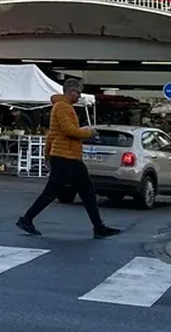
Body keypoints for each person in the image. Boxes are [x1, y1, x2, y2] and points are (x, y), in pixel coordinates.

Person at [17, 78, 121, 238]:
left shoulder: (62, 107)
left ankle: (99, 227)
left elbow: (52, 135)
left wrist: (47, 155)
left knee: (86, 191)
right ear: (70, 92)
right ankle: (27, 218)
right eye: (78, 93)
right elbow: (69, 131)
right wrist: (88, 132)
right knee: (54, 192)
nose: (79, 97)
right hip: (65, 156)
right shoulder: (62, 108)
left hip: (68, 156)